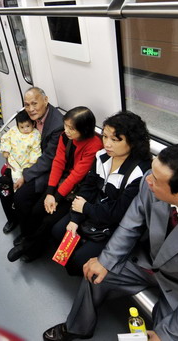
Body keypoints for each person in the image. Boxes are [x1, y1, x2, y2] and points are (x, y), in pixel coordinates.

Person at [43, 143, 178, 341]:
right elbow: (130, 225)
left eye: (155, 178)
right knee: (94, 272)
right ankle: (76, 327)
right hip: (147, 261)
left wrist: (168, 335)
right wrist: (105, 260)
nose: (147, 179)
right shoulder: (152, 182)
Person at [51, 111, 152, 276]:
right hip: (92, 209)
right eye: (105, 137)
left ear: (132, 142)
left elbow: (118, 212)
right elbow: (88, 187)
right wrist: (76, 219)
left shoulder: (139, 173)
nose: (107, 144)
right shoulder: (102, 156)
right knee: (57, 231)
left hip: (112, 225)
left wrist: (85, 208)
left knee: (77, 261)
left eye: (115, 139)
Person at [7, 107, 102, 262]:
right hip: (62, 183)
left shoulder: (94, 145)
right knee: (37, 209)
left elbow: (77, 175)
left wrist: (55, 198)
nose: (67, 131)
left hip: (78, 190)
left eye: (71, 128)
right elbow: (58, 162)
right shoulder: (65, 137)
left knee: (49, 220)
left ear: (84, 129)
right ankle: (29, 240)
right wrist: (50, 192)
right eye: (66, 126)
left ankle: (29, 248)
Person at [1, 87, 64, 235]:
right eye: (27, 105)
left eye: (34, 104)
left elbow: (48, 159)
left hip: (46, 170)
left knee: (21, 197)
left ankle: (26, 233)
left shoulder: (56, 125)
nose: (30, 109)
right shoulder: (31, 118)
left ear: (46, 100)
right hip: (27, 161)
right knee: (2, 183)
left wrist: (26, 175)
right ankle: (13, 218)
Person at [0, 110, 42, 182]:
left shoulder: (35, 134)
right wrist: (5, 150)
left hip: (27, 163)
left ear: (33, 124)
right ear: (17, 125)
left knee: (25, 178)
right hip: (14, 161)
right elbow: (5, 138)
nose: (25, 129)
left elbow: (36, 149)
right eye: (21, 127)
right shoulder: (14, 130)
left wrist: (33, 163)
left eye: (27, 126)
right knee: (14, 177)